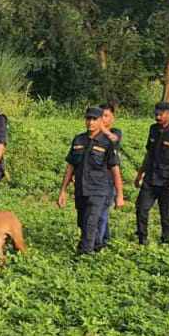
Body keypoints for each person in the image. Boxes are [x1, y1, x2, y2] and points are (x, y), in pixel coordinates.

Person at [57, 106, 125, 255]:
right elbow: (70, 166)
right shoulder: (78, 139)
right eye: (88, 119)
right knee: (83, 222)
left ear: (101, 121)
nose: (91, 122)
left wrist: (119, 195)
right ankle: (96, 246)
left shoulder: (108, 142)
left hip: (99, 189)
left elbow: (115, 169)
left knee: (91, 222)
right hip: (81, 188)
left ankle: (84, 255)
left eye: (95, 119)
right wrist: (62, 191)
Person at [134, 101, 169, 245]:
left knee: (166, 214)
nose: (157, 117)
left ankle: (166, 242)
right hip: (150, 179)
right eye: (156, 114)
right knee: (141, 208)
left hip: (168, 181)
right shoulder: (153, 129)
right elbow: (149, 154)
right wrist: (140, 174)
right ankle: (142, 240)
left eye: (160, 114)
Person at [95, 102, 123, 248]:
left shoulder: (115, 132)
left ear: (112, 118)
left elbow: (114, 139)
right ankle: (105, 239)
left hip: (107, 180)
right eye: (101, 116)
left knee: (101, 212)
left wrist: (103, 130)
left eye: (106, 116)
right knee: (98, 212)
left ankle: (98, 244)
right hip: (94, 179)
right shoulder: (93, 134)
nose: (103, 119)